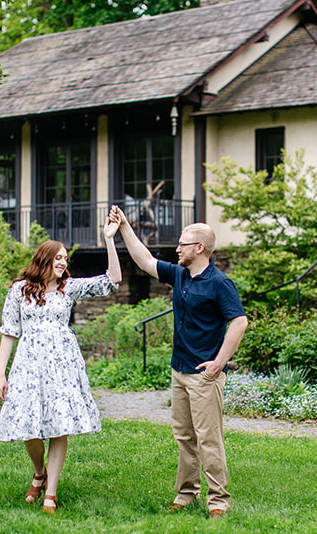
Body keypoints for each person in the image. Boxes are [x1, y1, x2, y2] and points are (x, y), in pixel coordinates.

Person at [110, 205, 248, 520]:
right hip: (180, 370)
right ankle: (186, 494)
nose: (177, 249)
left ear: (199, 248)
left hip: (204, 375)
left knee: (208, 437)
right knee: (184, 436)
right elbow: (144, 260)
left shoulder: (218, 283)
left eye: (183, 244)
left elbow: (239, 322)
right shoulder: (180, 274)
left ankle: (219, 500)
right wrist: (124, 227)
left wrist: (218, 363)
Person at [0, 214, 122, 515]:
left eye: (65, 258)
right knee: (29, 428)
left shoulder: (69, 288)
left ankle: (50, 492)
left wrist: (109, 239)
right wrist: (1, 374)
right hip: (28, 365)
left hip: (62, 365)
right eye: (58, 258)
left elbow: (113, 281)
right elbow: (9, 331)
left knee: (59, 426)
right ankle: (39, 472)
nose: (63, 262)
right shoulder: (20, 290)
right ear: (44, 259)